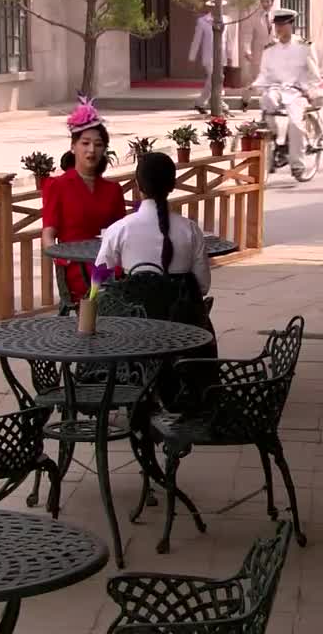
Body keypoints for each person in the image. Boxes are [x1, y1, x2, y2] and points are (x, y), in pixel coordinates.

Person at [95, 152, 218, 408]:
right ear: (173, 185)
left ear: (138, 186)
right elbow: (203, 286)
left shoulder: (120, 229)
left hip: (133, 331)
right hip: (183, 330)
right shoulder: (190, 229)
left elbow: (98, 280)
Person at [41, 96, 127, 303]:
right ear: (73, 146)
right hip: (77, 266)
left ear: (104, 150)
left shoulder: (113, 189)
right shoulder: (57, 186)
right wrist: (62, 259)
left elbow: (122, 234)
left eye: (98, 144)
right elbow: (48, 235)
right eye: (85, 143)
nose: (91, 150)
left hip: (109, 263)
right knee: (108, 288)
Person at [252, 8, 322, 179]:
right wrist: (254, 86)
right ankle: (274, 140)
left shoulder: (304, 47)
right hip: (276, 89)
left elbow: (314, 74)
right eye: (277, 25)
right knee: (267, 101)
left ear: (291, 25)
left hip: (297, 91)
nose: (279, 29)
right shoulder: (270, 49)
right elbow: (264, 74)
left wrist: (311, 91)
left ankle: (297, 164)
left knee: (295, 124)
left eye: (282, 25)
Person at [188, 0, 238, 114]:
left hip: (222, 55)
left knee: (218, 78)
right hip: (208, 55)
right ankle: (219, 101)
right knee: (213, 78)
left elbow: (229, 39)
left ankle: (201, 102)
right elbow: (197, 39)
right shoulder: (203, 21)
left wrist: (230, 55)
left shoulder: (227, 20)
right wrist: (192, 55)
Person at [243, 0, 276, 111]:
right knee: (256, 79)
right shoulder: (255, 16)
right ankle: (245, 99)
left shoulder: (276, 16)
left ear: (272, 2)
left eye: (267, 1)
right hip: (259, 52)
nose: (265, 4)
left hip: (273, 53)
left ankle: (268, 107)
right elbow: (247, 34)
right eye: (263, 1)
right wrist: (247, 50)